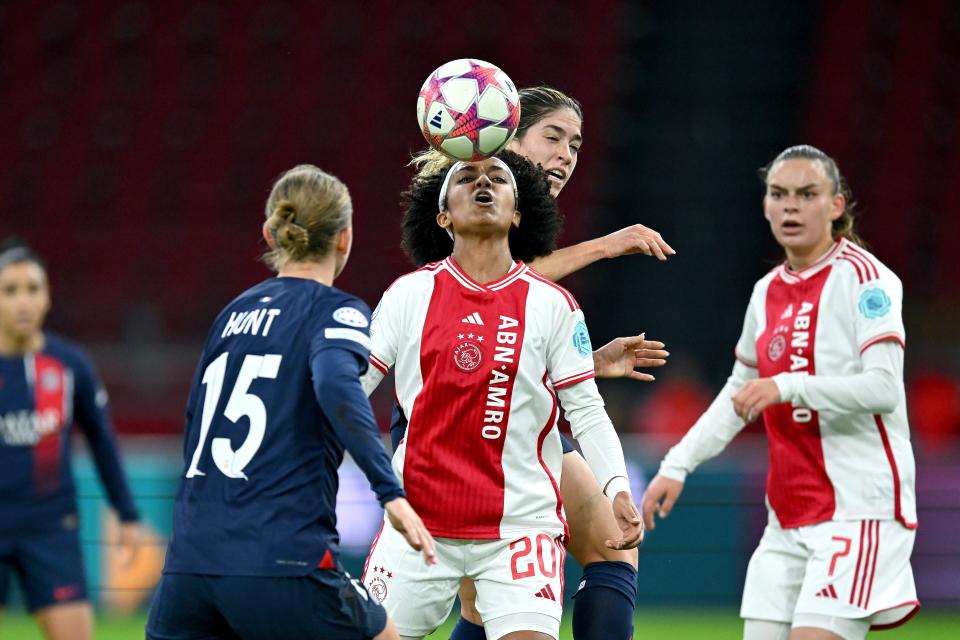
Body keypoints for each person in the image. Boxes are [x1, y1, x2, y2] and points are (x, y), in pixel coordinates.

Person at [409, 86, 673, 640]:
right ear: (504, 134)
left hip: (516, 419)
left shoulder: (524, 224)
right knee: (486, 602)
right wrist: (606, 245)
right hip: (452, 432)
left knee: (607, 547)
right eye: (552, 137)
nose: (566, 156)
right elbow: (485, 298)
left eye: (575, 145)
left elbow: (511, 335)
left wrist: (584, 366)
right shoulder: (464, 204)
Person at [360, 150, 643, 640]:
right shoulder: (408, 295)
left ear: (517, 212)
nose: (482, 183)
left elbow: (587, 409)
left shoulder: (554, 305)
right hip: (419, 520)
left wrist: (616, 485)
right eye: (466, 177)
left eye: (497, 178)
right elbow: (351, 389)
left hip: (520, 527)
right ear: (443, 213)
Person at [145, 165, 436, 640]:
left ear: (269, 232)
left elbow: (195, 422)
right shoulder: (336, 310)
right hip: (282, 557)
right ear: (345, 239)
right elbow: (337, 387)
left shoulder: (231, 314)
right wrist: (391, 493)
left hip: (188, 568)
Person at [641, 145, 918, 640]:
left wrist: (787, 385)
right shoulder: (766, 292)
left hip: (857, 510)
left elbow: (883, 389)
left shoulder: (867, 280)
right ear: (766, 206)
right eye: (779, 194)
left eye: (807, 194)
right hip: (786, 515)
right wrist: (676, 465)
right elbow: (739, 394)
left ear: (836, 205)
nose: (791, 206)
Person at [0, 239, 142, 640]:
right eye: (10, 290)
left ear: (47, 297)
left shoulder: (69, 365)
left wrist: (127, 514)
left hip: (50, 526)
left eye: (33, 289)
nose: (23, 301)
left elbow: (101, 439)